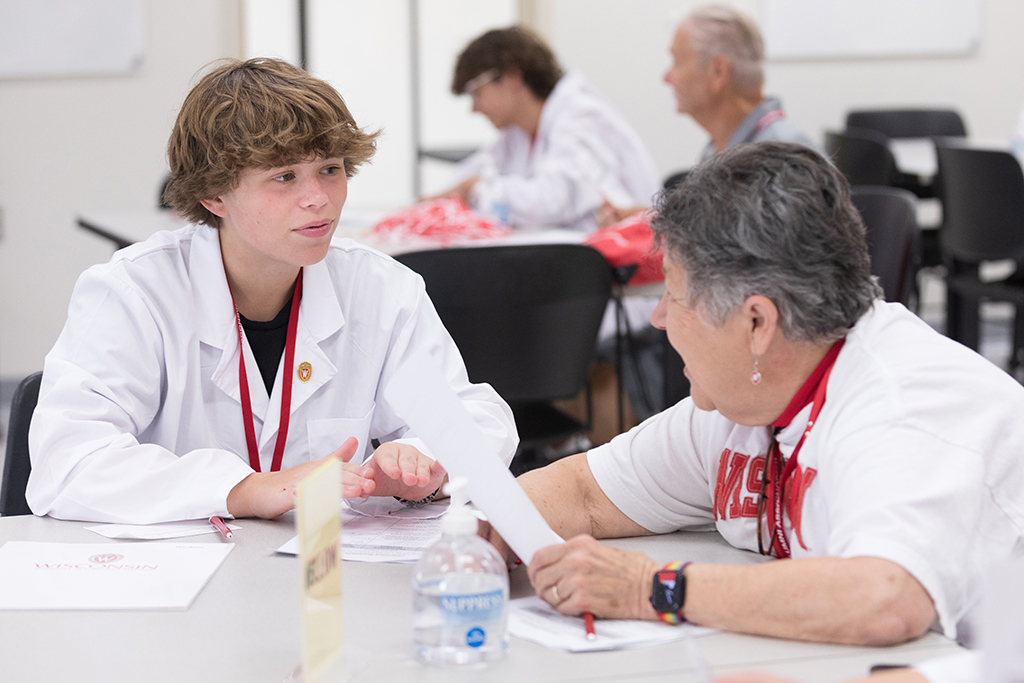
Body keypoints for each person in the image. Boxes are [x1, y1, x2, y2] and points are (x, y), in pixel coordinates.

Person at [489, 142, 1024, 646]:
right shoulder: (750, 395)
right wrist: (485, 526)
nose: (658, 319)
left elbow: (885, 598)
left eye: (673, 296)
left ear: (756, 322)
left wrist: (649, 588)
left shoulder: (902, 408)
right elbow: (586, 492)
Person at [27, 58, 518, 524]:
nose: (319, 199)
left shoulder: (382, 290)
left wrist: (425, 466)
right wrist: (246, 489)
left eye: (331, 169)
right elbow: (67, 463)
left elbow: (480, 419)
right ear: (214, 195)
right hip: (181, 581)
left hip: (328, 577)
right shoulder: (134, 293)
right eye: (284, 177)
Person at [599, 4, 820, 225]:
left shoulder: (785, 164)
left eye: (677, 61)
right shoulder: (722, 150)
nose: (666, 77)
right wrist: (640, 220)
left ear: (718, 71)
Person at [435, 25, 660, 232]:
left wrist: (476, 189)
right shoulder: (516, 135)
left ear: (513, 75)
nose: (474, 108)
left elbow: (553, 201)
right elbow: (470, 174)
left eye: (476, 92)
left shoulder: (581, 116)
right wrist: (428, 202)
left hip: (627, 266)